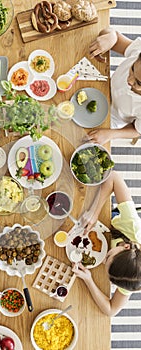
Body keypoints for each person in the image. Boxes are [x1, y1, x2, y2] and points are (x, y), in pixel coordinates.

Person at [72, 171, 141, 316]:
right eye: (108, 256)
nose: (103, 259)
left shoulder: (131, 278)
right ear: (127, 247)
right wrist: (95, 213)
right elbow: (113, 177)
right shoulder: (133, 226)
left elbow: (111, 310)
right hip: (117, 223)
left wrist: (88, 280)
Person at [86, 27, 141, 145]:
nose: (129, 81)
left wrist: (110, 134)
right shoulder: (138, 51)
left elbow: (137, 130)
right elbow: (111, 35)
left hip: (111, 119)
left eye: (139, 83)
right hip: (102, 86)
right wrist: (112, 36)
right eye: (132, 69)